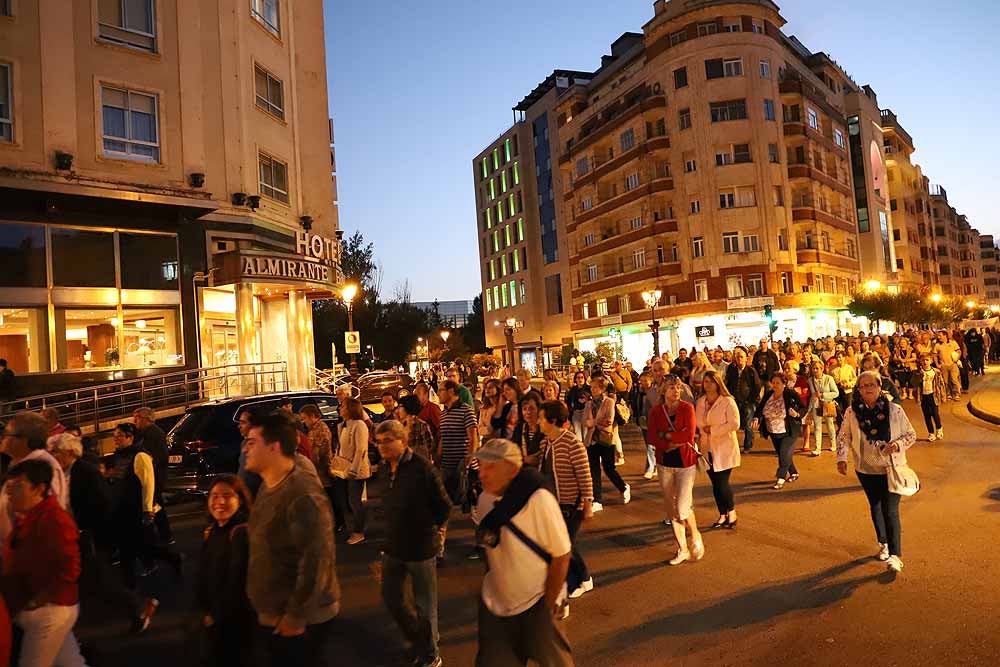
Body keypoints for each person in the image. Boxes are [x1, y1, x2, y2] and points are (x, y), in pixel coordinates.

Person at [244, 412, 340, 666]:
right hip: (273, 614)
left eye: (252, 442)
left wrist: (295, 617)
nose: (245, 448)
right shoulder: (269, 484)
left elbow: (317, 558)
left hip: (299, 621)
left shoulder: (302, 494)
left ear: (274, 447)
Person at [473, 439, 573, 666]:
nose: (482, 474)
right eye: (480, 466)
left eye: (490, 467)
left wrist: (547, 608)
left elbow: (562, 555)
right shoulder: (484, 500)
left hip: (536, 603)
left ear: (512, 469)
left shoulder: (539, 500)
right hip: (496, 607)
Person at [50, 433, 155, 633]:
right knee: (88, 581)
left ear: (70, 452)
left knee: (100, 581)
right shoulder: (60, 473)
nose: (52, 456)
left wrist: (90, 530)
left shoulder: (86, 472)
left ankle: (138, 608)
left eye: (56, 451)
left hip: (91, 535)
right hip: (73, 535)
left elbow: (103, 504)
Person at [375, 420, 451, 667]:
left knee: (424, 605)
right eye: (379, 441)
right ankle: (417, 641)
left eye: (388, 440)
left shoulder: (422, 468)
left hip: (421, 548)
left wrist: (436, 531)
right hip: (394, 547)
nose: (382, 446)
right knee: (391, 597)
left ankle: (431, 654)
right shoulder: (385, 469)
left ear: (403, 441)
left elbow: (443, 505)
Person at [0, 459, 87, 667]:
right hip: (43, 608)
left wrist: (43, 596)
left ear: (39, 488)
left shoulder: (53, 519)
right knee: (70, 663)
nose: (10, 494)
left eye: (17, 487)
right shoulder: (30, 517)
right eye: (8, 488)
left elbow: (70, 565)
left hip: (50, 610)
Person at [837, 370, 917, 573]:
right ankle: (883, 542)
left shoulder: (894, 410)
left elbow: (911, 435)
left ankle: (895, 555)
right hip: (865, 469)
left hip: (892, 468)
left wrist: (897, 445)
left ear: (880, 386)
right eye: (863, 386)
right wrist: (841, 458)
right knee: (875, 506)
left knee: (890, 510)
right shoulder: (851, 412)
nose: (867, 389)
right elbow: (843, 436)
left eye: (871, 385)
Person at [106, 423, 181, 588]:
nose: (115, 439)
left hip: (136, 509)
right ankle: (134, 577)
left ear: (130, 437)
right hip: (123, 508)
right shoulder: (119, 456)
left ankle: (130, 583)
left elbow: (148, 484)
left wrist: (147, 510)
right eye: (115, 435)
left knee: (135, 547)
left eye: (119, 435)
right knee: (138, 546)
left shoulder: (140, 456)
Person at [538, 400, 594, 601]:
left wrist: (587, 504)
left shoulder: (572, 442)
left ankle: (579, 580)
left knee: (565, 545)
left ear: (552, 420)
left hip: (572, 505)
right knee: (564, 544)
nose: (539, 422)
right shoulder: (546, 443)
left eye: (541, 418)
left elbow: (585, 476)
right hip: (553, 504)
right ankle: (581, 578)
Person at [198, 475, 256, 667]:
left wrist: (214, 615)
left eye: (227, 495)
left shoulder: (241, 533)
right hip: (216, 620)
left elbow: (237, 583)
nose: (220, 501)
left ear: (240, 499)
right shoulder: (212, 530)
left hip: (238, 625)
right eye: (214, 496)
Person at [648, 375, 704, 565]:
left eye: (678, 387)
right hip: (665, 463)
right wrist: (668, 442)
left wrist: (668, 435)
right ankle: (682, 548)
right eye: (672, 388)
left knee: (682, 506)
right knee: (672, 509)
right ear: (663, 390)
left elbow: (688, 435)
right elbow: (653, 436)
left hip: (685, 463)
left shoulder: (687, 408)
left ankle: (695, 534)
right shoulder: (656, 411)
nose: (676, 391)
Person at [0, 411, 69, 547]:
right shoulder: (19, 464)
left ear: (24, 440)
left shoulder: (43, 468)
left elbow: (46, 522)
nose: (2, 438)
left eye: (7, 434)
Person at [437, 380, 480, 560]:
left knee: (473, 509)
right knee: (441, 506)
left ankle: (481, 545)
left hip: (464, 466)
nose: (438, 393)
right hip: (446, 465)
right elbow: (442, 438)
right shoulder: (443, 414)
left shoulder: (466, 410)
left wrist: (469, 461)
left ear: (451, 391)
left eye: (441, 390)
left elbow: (473, 437)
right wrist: (438, 456)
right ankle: (438, 550)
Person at [695, 371, 741, 529]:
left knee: (722, 482)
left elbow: (735, 424)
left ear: (718, 383)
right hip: (707, 448)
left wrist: (713, 430)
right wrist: (702, 430)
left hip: (724, 447)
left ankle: (732, 512)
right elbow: (698, 420)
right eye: (705, 381)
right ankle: (722, 514)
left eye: (711, 381)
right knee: (715, 483)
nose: (707, 385)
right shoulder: (701, 401)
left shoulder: (728, 401)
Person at [753, 373, 806, 490]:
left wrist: (797, 414)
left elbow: (803, 407)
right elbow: (760, 408)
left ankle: (780, 477)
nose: (775, 385)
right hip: (773, 430)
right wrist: (756, 418)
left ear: (784, 384)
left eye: (778, 383)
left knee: (783, 453)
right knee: (784, 454)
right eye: (773, 383)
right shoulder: (768, 394)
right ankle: (794, 473)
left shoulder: (790, 394)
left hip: (789, 430)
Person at [583, 376, 629, 513]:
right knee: (594, 470)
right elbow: (585, 422)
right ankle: (597, 499)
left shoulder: (609, 402)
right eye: (591, 387)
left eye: (595, 387)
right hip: (591, 439)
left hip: (606, 439)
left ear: (602, 389)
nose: (592, 390)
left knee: (609, 468)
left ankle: (623, 487)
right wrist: (595, 422)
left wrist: (594, 423)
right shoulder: (588, 404)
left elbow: (608, 421)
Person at [133, 407, 173, 545]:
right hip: (152, 476)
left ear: (146, 418)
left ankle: (162, 536)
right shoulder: (143, 434)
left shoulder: (154, 433)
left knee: (153, 505)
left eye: (137, 417)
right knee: (155, 505)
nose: (134, 420)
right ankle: (164, 535)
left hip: (155, 477)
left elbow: (159, 456)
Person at [299, 404, 341, 529]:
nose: (304, 422)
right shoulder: (314, 429)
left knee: (330, 498)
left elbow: (316, 453)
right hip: (321, 470)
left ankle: (337, 523)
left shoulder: (320, 430)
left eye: (305, 418)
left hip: (324, 471)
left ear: (313, 416)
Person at [337, 397, 371, 545]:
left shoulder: (359, 425)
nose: (340, 409)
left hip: (355, 471)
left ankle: (359, 531)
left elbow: (361, 449)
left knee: (355, 502)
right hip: (344, 469)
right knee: (349, 501)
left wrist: (354, 470)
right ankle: (355, 528)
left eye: (343, 406)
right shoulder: (343, 425)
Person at [725, 348, 761, 453]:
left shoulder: (751, 371)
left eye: (741, 357)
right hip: (735, 401)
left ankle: (747, 445)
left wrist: (751, 400)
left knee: (747, 424)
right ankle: (732, 445)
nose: (739, 359)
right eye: (737, 357)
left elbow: (757, 387)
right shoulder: (732, 371)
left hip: (748, 401)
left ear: (746, 359)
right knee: (733, 423)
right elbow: (728, 384)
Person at [807, 359, 839, 456]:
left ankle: (833, 443)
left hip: (827, 404)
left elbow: (836, 393)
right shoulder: (810, 380)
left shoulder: (829, 378)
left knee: (830, 425)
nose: (815, 370)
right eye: (813, 368)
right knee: (817, 426)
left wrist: (823, 395)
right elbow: (811, 394)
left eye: (817, 368)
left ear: (822, 369)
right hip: (815, 405)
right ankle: (817, 447)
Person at [917, 355, 947, 441]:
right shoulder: (919, 372)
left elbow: (941, 384)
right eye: (923, 360)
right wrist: (919, 376)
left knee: (935, 413)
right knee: (927, 415)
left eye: (927, 360)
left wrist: (943, 396)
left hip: (933, 394)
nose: (925, 362)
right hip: (924, 396)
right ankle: (931, 433)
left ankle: (939, 428)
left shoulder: (936, 372)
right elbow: (915, 383)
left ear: (930, 361)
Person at [399, 395, 436, 462]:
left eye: (400, 407)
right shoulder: (400, 426)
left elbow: (429, 448)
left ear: (407, 407)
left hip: (419, 464)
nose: (398, 410)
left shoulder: (422, 425)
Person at [513, 392, 546, 467]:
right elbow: (513, 451)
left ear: (539, 409)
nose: (528, 412)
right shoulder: (520, 428)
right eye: (524, 409)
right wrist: (525, 459)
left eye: (531, 408)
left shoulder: (545, 428)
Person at [934, 332, 962, 400]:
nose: (938, 337)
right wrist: (937, 364)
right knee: (945, 381)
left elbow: (959, 351)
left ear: (945, 336)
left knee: (954, 379)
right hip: (943, 365)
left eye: (940, 336)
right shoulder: (937, 345)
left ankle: (956, 394)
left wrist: (956, 359)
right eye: (938, 336)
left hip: (953, 364)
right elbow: (934, 355)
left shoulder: (953, 343)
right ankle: (948, 393)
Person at [565, 371, 591, 443]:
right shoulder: (573, 390)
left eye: (582, 377)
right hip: (576, 413)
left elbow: (593, 400)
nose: (580, 379)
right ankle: (580, 450)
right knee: (577, 434)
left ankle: (586, 450)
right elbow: (568, 402)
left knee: (586, 433)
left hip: (586, 412)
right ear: (575, 379)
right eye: (578, 377)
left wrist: (587, 400)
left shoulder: (589, 388)